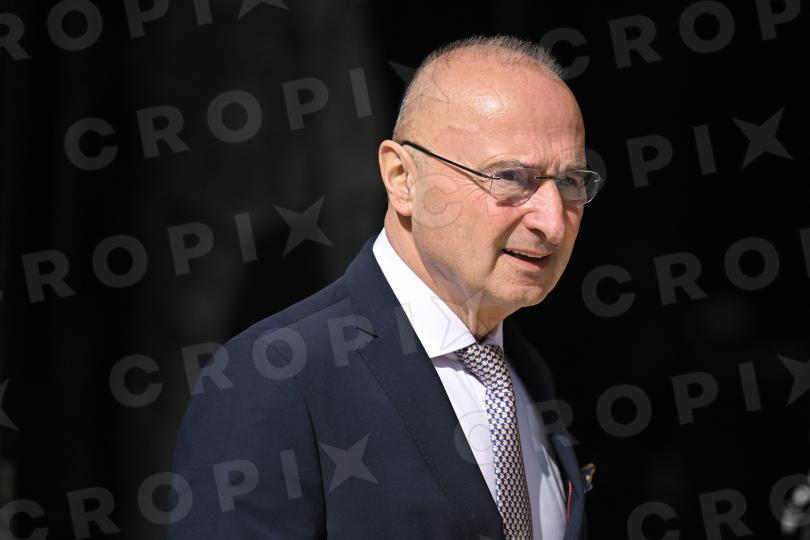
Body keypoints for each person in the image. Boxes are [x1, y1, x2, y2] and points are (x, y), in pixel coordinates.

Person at [167, 35, 603, 540]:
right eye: (510, 177)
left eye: (570, 182)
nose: (552, 221)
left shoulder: (526, 372)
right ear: (401, 177)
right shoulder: (273, 377)